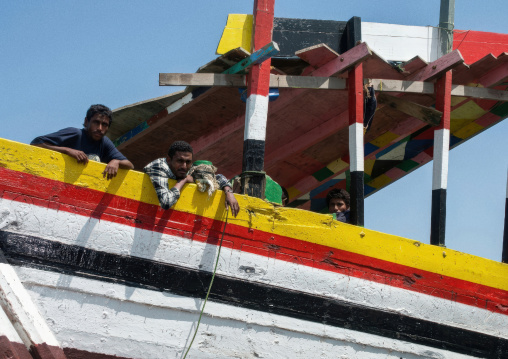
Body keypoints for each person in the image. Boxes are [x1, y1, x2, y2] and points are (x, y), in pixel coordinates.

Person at [30, 104, 134, 179]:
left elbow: (130, 165)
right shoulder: (75, 133)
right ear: (86, 121)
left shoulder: (104, 142)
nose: (100, 128)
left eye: (104, 125)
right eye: (96, 122)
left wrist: (116, 161)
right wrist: (67, 150)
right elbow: (36, 144)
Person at [143, 141, 240, 217]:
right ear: (169, 159)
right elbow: (165, 202)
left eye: (188, 162)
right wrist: (182, 181)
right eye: (180, 161)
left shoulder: (184, 170)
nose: (184, 166)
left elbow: (217, 177)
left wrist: (229, 192)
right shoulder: (158, 167)